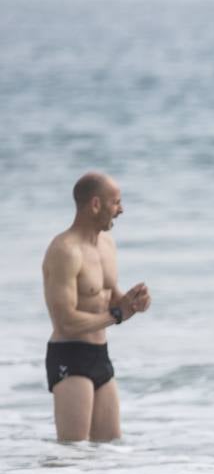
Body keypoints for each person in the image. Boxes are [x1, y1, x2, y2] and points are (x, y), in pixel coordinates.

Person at [41, 172, 152, 442]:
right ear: (95, 205)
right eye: (116, 202)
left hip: (100, 355)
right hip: (70, 355)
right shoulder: (65, 250)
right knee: (73, 453)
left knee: (111, 449)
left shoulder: (107, 245)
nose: (121, 210)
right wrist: (117, 315)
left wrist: (131, 303)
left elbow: (108, 299)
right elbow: (65, 322)